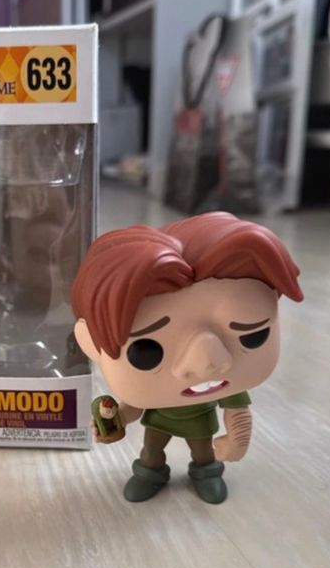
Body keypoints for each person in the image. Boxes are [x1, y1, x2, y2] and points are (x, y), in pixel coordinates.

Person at [71, 212, 303, 504]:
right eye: (147, 352)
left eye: (251, 334)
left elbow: (237, 411)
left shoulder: (223, 384)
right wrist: (114, 422)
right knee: (151, 450)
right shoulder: (151, 392)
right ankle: (149, 473)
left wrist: (237, 442)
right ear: (90, 343)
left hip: (201, 423)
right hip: (158, 421)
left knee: (203, 452)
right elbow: (133, 409)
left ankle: (206, 473)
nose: (208, 363)